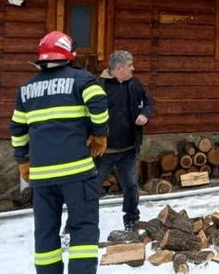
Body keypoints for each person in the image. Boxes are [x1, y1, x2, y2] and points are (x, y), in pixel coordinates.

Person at [10, 31, 109, 274]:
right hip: (78, 172)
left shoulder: (26, 89)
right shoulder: (82, 80)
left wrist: (23, 160)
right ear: (69, 55)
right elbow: (98, 103)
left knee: (45, 233)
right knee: (83, 230)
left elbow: (17, 128)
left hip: (42, 177)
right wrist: (99, 134)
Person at [94, 50, 153, 230]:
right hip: (103, 151)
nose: (133, 68)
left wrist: (145, 114)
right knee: (89, 189)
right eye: (129, 65)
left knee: (131, 187)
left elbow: (148, 103)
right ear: (119, 68)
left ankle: (132, 220)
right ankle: (76, 224)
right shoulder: (98, 86)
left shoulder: (134, 84)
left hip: (128, 150)